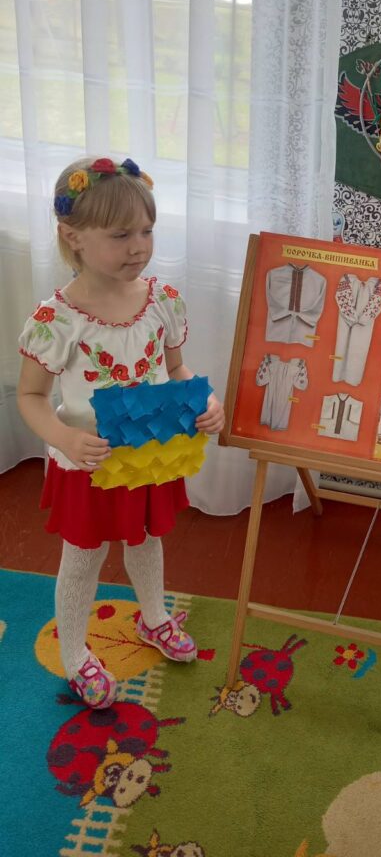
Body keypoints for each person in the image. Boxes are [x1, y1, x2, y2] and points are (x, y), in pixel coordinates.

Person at [17, 157, 225, 710]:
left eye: (146, 231)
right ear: (73, 237)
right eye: (120, 235)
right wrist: (63, 438)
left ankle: (153, 618)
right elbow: (30, 397)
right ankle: (74, 653)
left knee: (147, 540)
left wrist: (205, 402)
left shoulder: (162, 302)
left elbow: (175, 369)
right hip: (87, 463)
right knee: (83, 557)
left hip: (148, 457)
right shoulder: (56, 321)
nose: (139, 247)